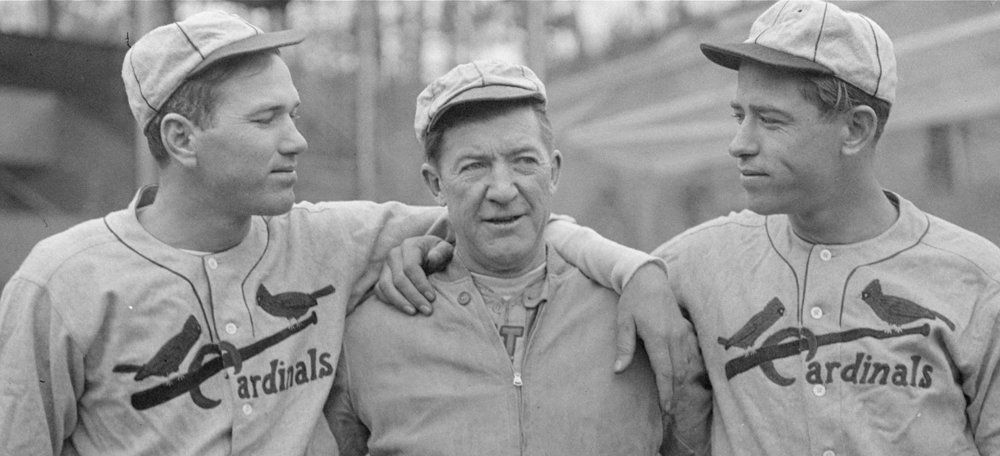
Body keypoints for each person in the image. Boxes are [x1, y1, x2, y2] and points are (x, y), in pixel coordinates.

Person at [0, 12, 682, 455]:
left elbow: (513, 220)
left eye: (292, 113)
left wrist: (634, 271)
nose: (296, 139)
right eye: (266, 120)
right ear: (182, 139)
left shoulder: (328, 240)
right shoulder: (62, 283)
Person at [653, 1, 1000, 454]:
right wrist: (633, 278)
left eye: (771, 121)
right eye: (740, 116)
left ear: (855, 129)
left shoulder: (978, 280)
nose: (740, 144)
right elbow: (552, 264)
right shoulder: (700, 261)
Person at [327, 60, 703, 455]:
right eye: (474, 167)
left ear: (553, 171)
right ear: (436, 184)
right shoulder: (368, 334)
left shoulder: (643, 318)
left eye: (524, 161)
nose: (503, 189)